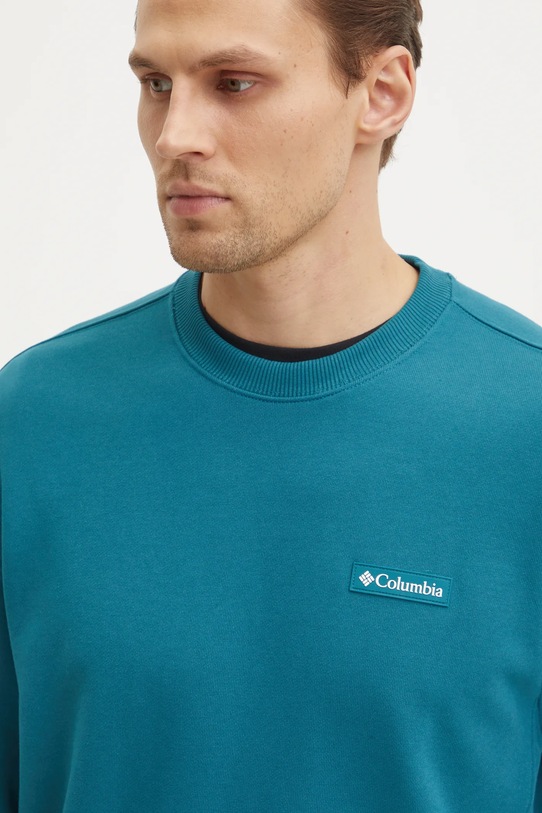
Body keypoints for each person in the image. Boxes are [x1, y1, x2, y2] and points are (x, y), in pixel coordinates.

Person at [1, 0, 541, 810]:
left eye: (234, 82)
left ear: (383, 94)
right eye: (156, 83)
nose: (174, 136)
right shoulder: (33, 421)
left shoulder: (525, 426)